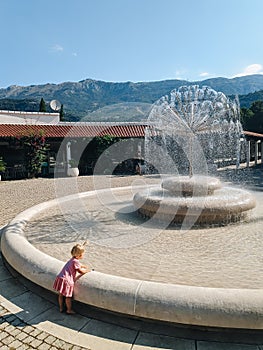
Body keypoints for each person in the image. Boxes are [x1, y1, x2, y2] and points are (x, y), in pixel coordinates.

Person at [53, 242, 91, 314]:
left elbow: (76, 264)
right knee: (68, 297)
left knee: (60, 295)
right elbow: (80, 271)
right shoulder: (75, 261)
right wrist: (87, 271)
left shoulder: (72, 259)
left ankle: (61, 308)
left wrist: (82, 265)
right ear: (80, 255)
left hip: (61, 277)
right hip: (67, 281)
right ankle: (69, 310)